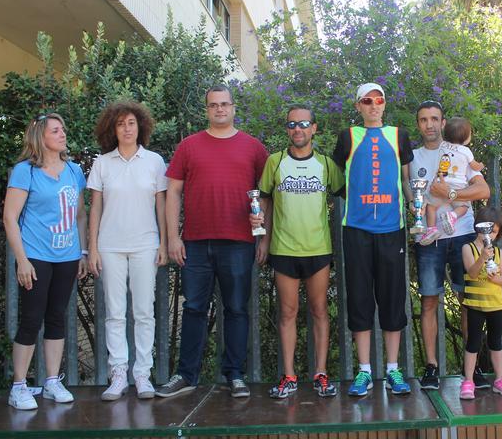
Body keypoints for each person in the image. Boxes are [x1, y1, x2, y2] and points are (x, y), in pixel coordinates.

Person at [156, 85, 268, 398]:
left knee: (236, 309)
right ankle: (186, 375)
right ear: (206, 110)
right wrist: (173, 237)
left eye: (224, 104)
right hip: (195, 243)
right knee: (193, 309)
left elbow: (266, 195)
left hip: (239, 242)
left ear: (233, 108)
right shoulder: (188, 146)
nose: (219, 109)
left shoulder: (253, 148)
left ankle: (235, 374)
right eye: (213, 105)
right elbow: (173, 192)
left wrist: (263, 237)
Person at [254, 104, 344, 398]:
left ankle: (321, 374)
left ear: (314, 128)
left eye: (304, 124)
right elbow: (264, 202)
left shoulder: (326, 164)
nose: (298, 129)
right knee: (288, 313)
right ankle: (289, 376)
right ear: (287, 129)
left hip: (318, 249)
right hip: (284, 248)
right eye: (292, 124)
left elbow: (349, 192)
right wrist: (262, 238)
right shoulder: (275, 161)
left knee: (319, 311)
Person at [332, 82, 414, 396]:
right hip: (356, 229)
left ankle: (393, 369)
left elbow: (406, 180)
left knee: (393, 299)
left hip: (392, 228)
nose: (373, 105)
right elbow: (338, 180)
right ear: (358, 106)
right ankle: (364, 371)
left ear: (385, 104)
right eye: (367, 101)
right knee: (360, 299)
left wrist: (415, 206)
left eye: (378, 100)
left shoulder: (399, 135)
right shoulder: (347, 136)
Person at [3, 113, 88, 410]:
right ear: (41, 136)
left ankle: (52, 382)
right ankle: (18, 386)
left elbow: (80, 215)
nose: (62, 134)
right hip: (36, 256)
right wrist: (22, 260)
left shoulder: (74, 170)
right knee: (31, 319)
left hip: (67, 257)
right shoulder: (25, 171)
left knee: (56, 317)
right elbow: (10, 218)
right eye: (55, 130)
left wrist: (82, 252)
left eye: (63, 129)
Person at [87, 101, 168, 401]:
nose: (126, 128)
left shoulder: (155, 161)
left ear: (140, 126)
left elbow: (161, 205)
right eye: (120, 124)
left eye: (131, 122)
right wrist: (92, 248)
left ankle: (142, 374)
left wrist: (163, 242)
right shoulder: (102, 163)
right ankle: (118, 373)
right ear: (113, 129)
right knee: (115, 312)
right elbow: (95, 208)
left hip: (146, 244)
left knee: (145, 312)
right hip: (110, 246)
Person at [409, 100, 490, 390]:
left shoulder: (459, 151)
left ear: (443, 123)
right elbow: (407, 191)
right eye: (423, 119)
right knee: (429, 300)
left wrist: (451, 193)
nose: (429, 124)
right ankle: (431, 367)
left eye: (434, 119)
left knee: (468, 301)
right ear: (418, 124)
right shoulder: (412, 157)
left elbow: (483, 189)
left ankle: (472, 368)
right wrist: (414, 205)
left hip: (462, 235)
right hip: (428, 238)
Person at [459, 207, 502, 399]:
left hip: (496, 305)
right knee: (473, 342)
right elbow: (472, 273)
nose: (489, 235)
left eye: (494, 231)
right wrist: (482, 257)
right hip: (475, 305)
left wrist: (495, 278)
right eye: (486, 230)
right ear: (477, 227)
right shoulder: (468, 248)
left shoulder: (499, 253)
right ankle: (468, 381)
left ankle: (500, 379)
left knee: (496, 342)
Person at [418, 117, 485, 245]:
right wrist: (481, 165)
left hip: (439, 184)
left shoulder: (442, 145)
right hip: (457, 187)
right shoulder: (466, 151)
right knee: (464, 206)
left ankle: (431, 230)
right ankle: (452, 215)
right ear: (466, 138)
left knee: (431, 207)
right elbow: (474, 166)